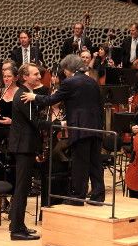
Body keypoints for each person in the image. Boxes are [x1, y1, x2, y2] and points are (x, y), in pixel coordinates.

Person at [22, 54, 104, 205]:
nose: (64, 73)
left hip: (79, 128)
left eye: (64, 70)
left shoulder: (70, 82)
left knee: (80, 163)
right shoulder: (92, 81)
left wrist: (34, 97)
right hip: (96, 128)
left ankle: (78, 197)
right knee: (95, 162)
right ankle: (98, 196)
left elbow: (52, 100)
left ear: (68, 69)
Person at [7, 63, 45, 241]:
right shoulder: (23, 95)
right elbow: (35, 122)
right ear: (25, 77)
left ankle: (19, 224)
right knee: (22, 188)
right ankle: (16, 229)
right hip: (23, 146)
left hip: (25, 146)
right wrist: (57, 124)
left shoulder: (25, 94)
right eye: (35, 74)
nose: (39, 76)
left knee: (23, 187)